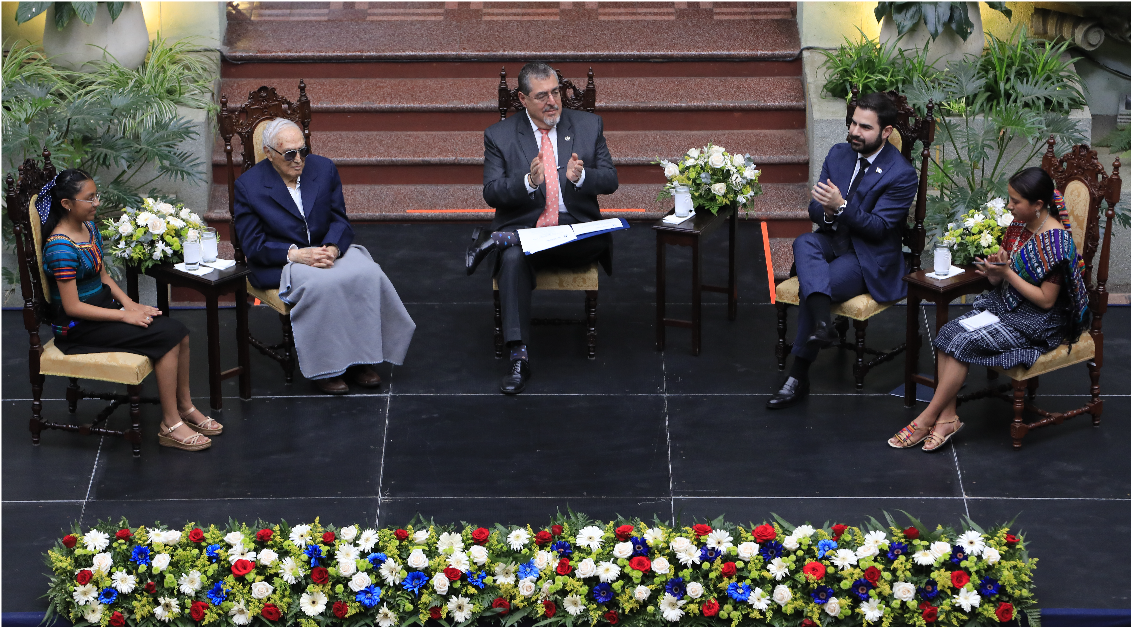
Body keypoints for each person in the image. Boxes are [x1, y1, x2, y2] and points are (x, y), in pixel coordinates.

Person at [888, 167, 1089, 451]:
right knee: (948, 333)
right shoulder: (1018, 226)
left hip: (1037, 321)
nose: (1009, 206)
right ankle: (947, 419)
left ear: (1038, 204)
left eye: (1015, 201)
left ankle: (926, 418)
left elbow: (1046, 300)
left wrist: (1008, 274)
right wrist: (995, 271)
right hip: (1004, 306)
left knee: (963, 342)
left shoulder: (1057, 243)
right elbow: (999, 279)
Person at [39, 169, 220, 452]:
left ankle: (185, 407)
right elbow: (72, 307)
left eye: (96, 195)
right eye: (89, 198)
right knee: (168, 336)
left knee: (179, 331)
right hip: (78, 328)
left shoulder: (89, 228)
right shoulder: (60, 248)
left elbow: (104, 277)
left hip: (103, 311)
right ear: (66, 203)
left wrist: (130, 304)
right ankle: (170, 424)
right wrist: (124, 315)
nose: (97, 203)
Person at [232, 118, 416, 394]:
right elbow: (253, 245)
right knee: (323, 285)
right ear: (269, 153)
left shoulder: (323, 168)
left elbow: (339, 219)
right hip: (282, 261)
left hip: (324, 250)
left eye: (302, 151)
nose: (298, 160)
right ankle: (327, 367)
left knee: (368, 273)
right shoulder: (249, 186)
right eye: (289, 154)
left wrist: (332, 247)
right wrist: (296, 255)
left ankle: (361, 358)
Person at [767, 92, 919, 409]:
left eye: (865, 127)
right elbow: (814, 208)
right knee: (804, 242)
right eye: (853, 123)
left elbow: (879, 228)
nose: (854, 132)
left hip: (868, 254)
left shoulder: (901, 173)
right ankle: (824, 327)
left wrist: (841, 207)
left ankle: (798, 375)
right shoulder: (839, 154)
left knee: (815, 286)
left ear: (886, 132)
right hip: (833, 239)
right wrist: (827, 211)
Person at [478, 61, 619, 395]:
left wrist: (582, 177)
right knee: (513, 259)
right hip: (530, 232)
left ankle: (503, 239)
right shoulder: (499, 135)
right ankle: (519, 356)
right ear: (523, 99)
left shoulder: (588, 125)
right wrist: (528, 182)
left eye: (556, 92)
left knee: (592, 237)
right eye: (542, 96)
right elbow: (491, 192)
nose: (553, 101)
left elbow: (611, 180)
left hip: (576, 234)